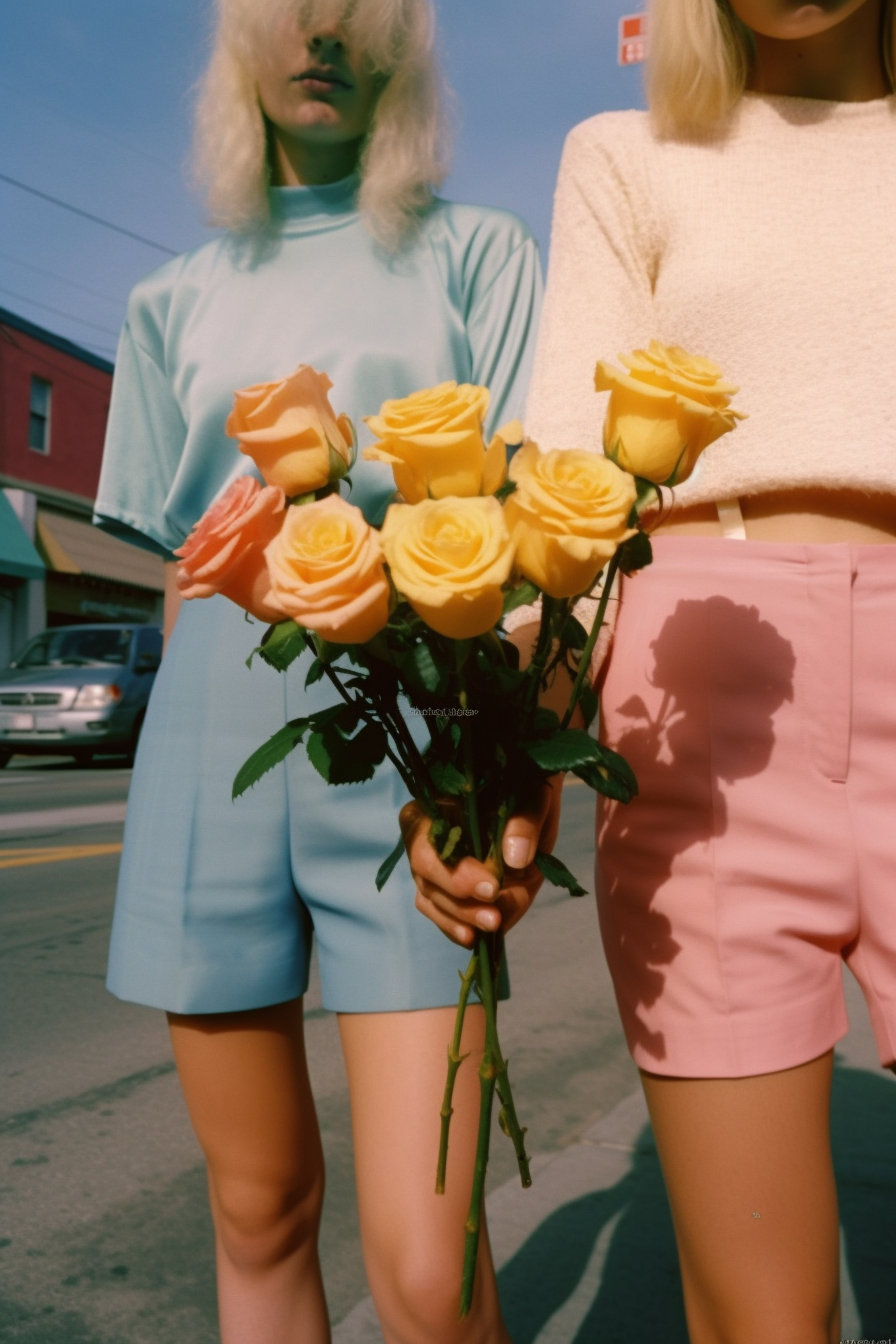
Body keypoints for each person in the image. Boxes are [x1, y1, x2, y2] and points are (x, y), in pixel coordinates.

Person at [412, 0, 896, 1339]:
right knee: (760, 1316)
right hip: (701, 691)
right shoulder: (624, 156)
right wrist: (503, 756)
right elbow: (573, 486)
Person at [93, 3, 543, 1341]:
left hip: (409, 725)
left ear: (400, 45)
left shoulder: (480, 252)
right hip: (207, 737)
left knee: (424, 1264)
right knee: (257, 1208)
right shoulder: (166, 297)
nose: (322, 38)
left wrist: (501, 757)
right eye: (291, 12)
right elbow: (185, 568)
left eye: (355, 14)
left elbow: (515, 548)